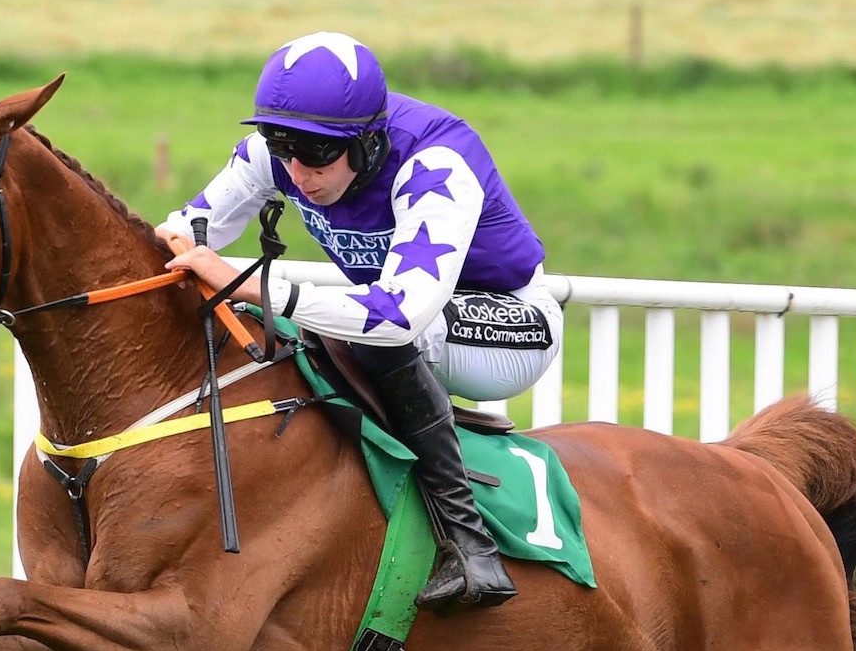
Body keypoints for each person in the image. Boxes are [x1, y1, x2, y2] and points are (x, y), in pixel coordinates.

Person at [158, 31, 562, 612]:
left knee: (370, 332)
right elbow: (184, 231)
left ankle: (471, 547)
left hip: (509, 324)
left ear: (369, 142)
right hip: (404, 312)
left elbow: (397, 315)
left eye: (318, 153)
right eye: (282, 147)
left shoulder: (434, 163)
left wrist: (250, 284)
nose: (297, 171)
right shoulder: (284, 157)